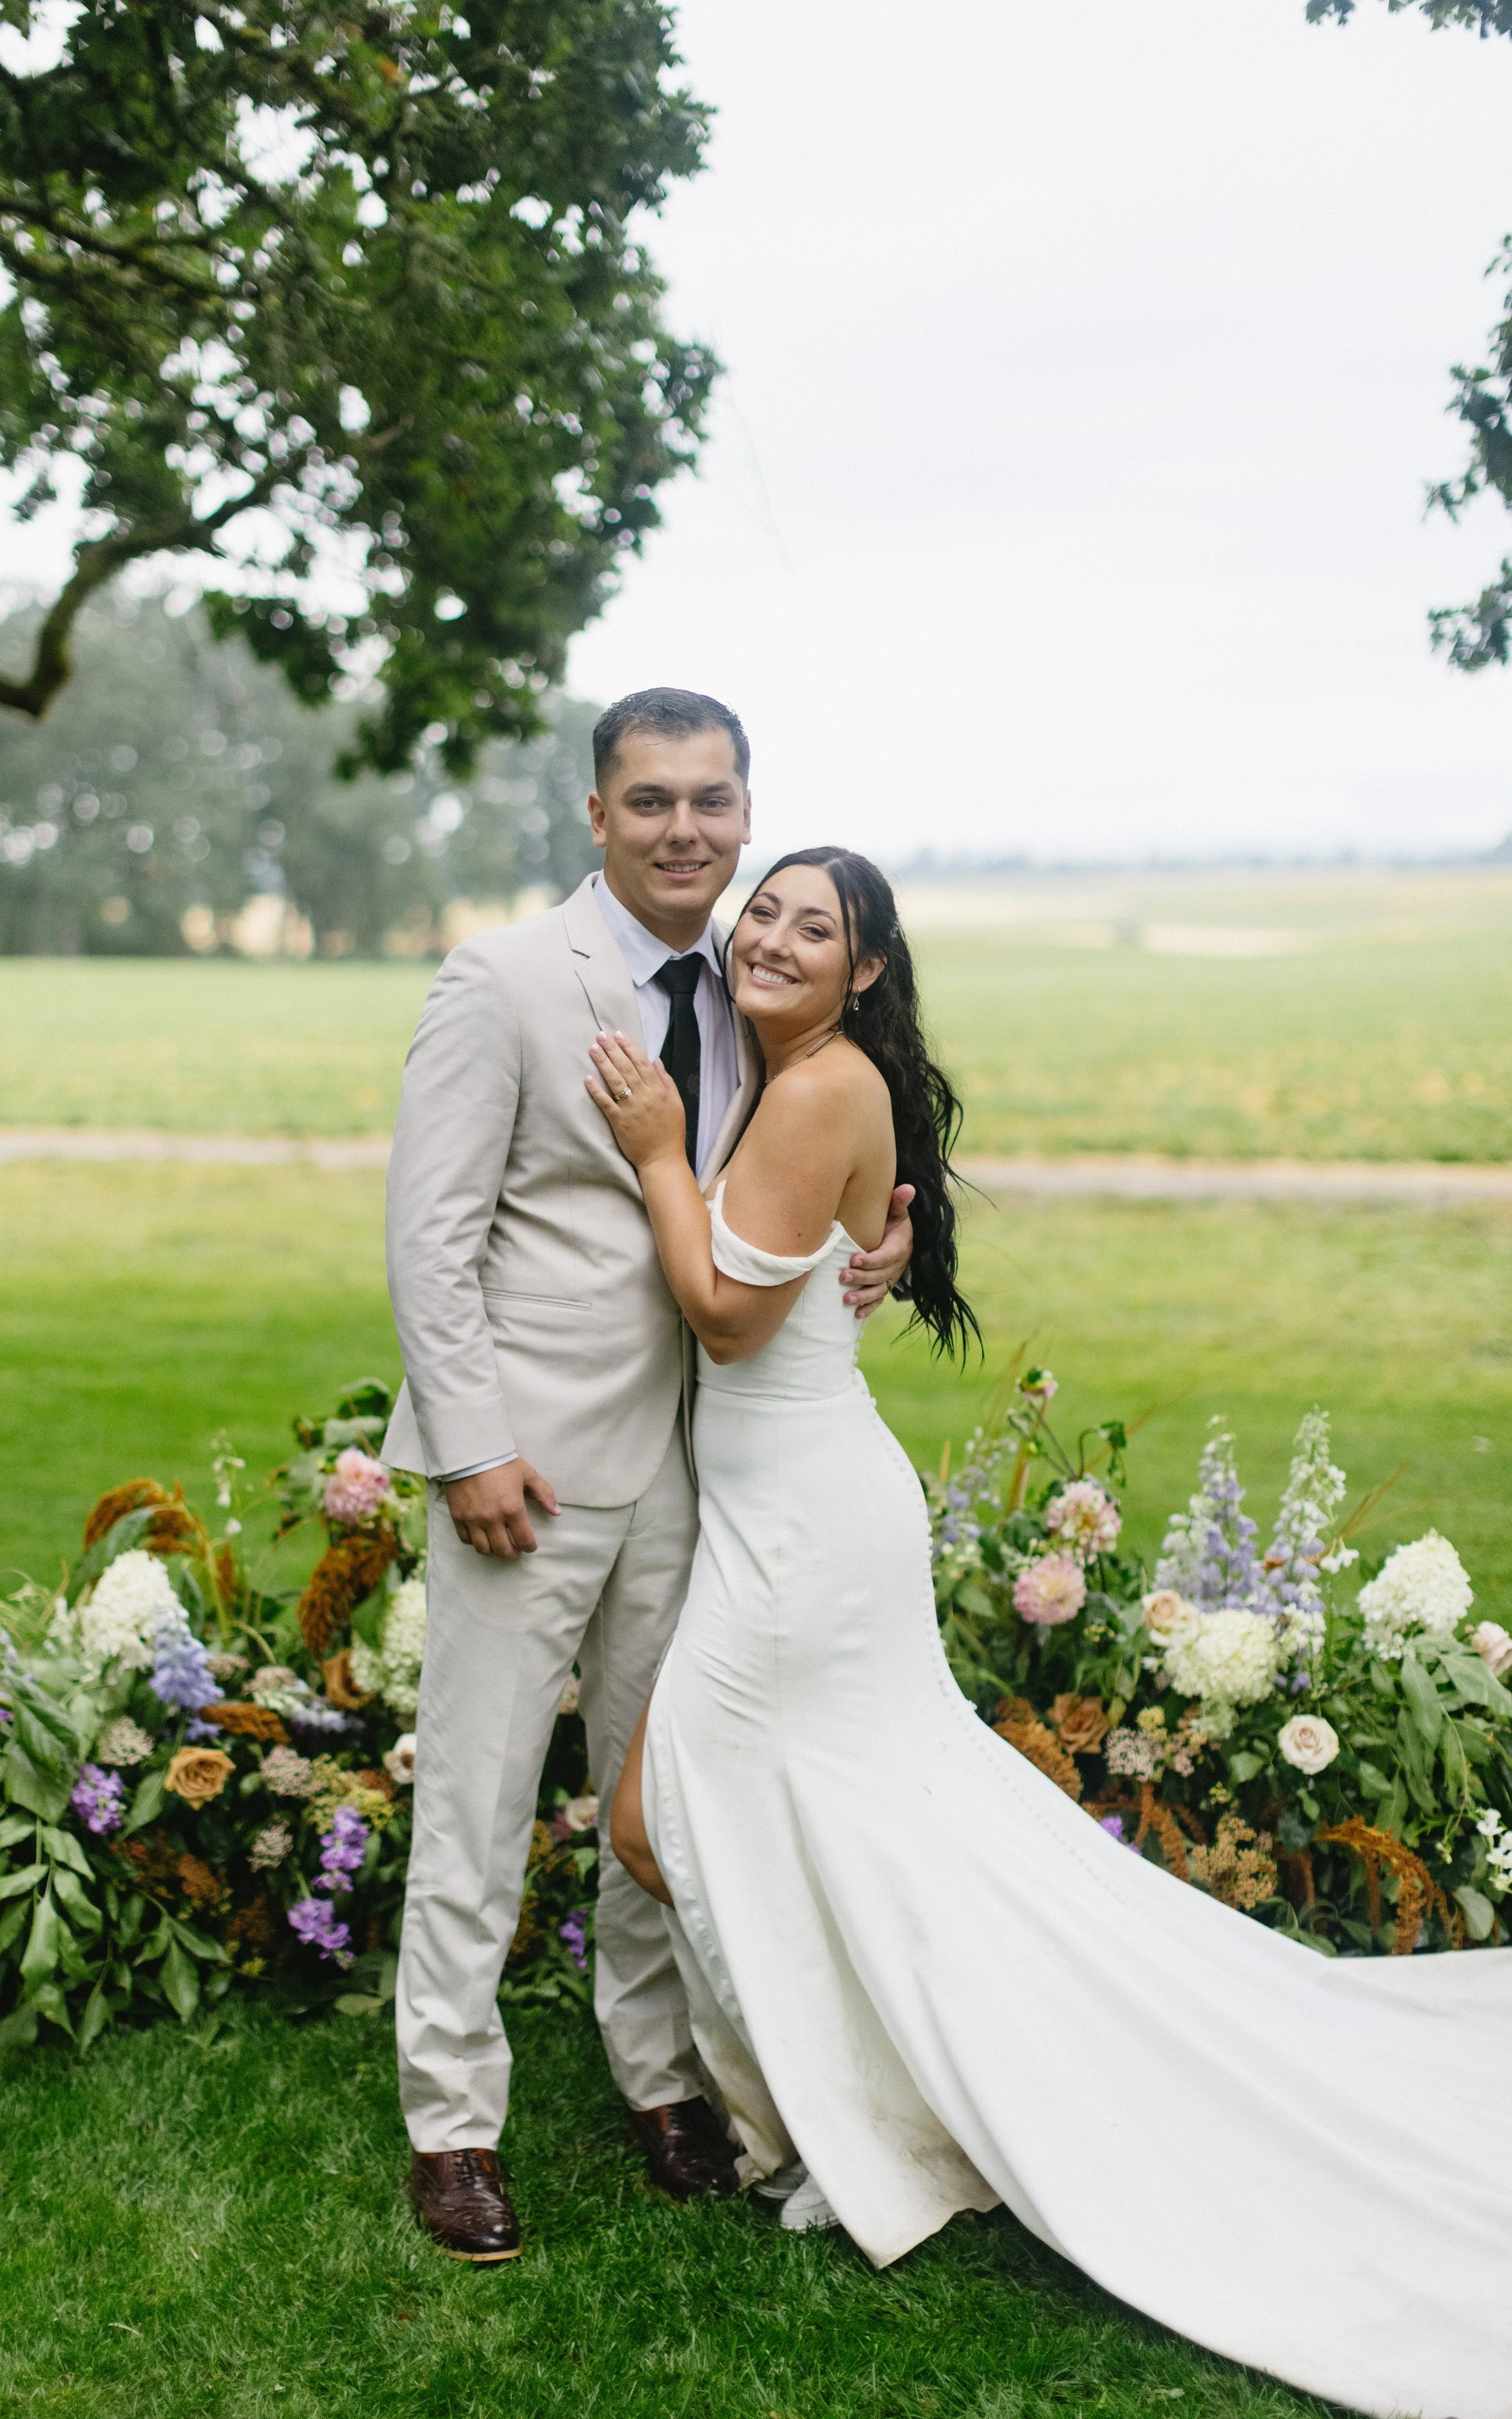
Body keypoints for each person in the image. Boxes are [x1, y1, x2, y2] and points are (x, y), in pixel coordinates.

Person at [594, 844, 1512, 2419]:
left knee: (659, 1817)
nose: (771, 934)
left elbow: (726, 1312)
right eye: (765, 909)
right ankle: (900, 2074)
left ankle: (904, 2087)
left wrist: (660, 1150)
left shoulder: (808, 1087)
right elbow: (842, 1248)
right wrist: (835, 1240)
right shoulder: (817, 1073)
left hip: (804, 1529)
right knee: (833, 1812)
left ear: (865, 968)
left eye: (814, 926)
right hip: (799, 1506)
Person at [381, 691, 915, 2261]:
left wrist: (887, 1231)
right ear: (598, 815)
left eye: (711, 800)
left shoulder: (760, 994)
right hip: (528, 1472)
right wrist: (472, 1440)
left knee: (660, 1793)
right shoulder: (500, 980)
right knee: (476, 1804)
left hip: (709, 1473)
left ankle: (657, 2075)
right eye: (649, 800)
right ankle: (453, 2120)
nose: (683, 828)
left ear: (746, 816)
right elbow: (431, 1235)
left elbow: (824, 1151)